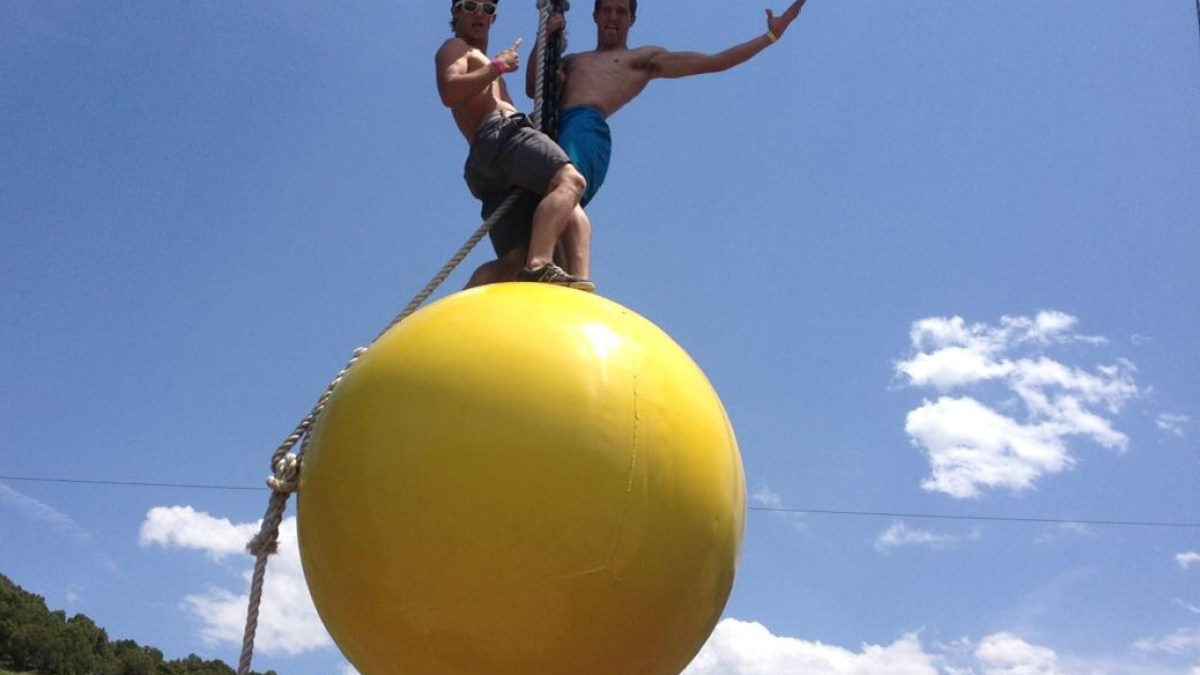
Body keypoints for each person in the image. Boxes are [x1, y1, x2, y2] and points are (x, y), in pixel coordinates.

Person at [527, 0, 806, 206]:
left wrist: (769, 38)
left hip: (585, 126)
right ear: (596, 15)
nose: (613, 17)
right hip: (552, 127)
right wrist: (545, 36)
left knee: (566, 191)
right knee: (539, 203)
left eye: (621, 11)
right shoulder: (573, 60)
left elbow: (713, 62)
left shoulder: (642, 59)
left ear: (632, 20)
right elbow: (533, 87)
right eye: (607, 10)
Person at [437, 0, 595, 291]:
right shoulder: (457, 48)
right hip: (501, 136)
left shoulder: (479, 59)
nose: (479, 14)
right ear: (455, 12)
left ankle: (461, 312)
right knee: (570, 182)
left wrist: (543, 38)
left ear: (493, 19)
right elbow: (450, 90)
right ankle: (539, 265)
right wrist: (498, 66)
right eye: (470, 5)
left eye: (487, 9)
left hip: (487, 161)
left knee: (512, 261)